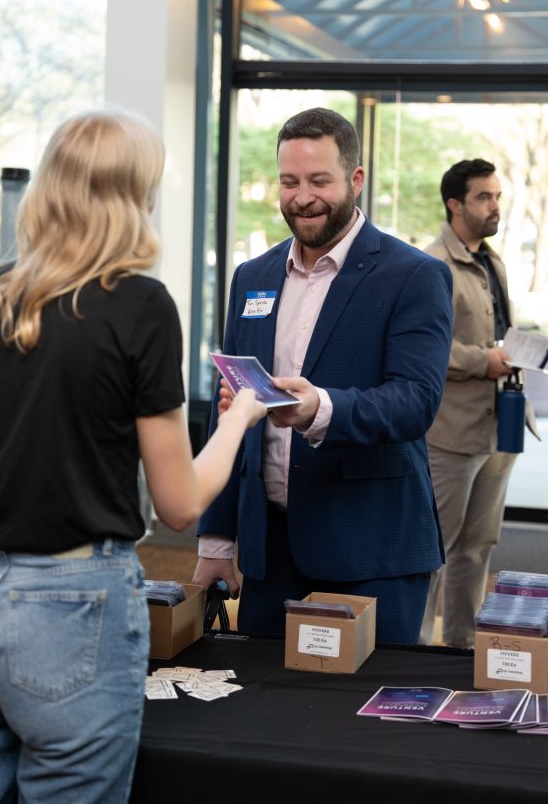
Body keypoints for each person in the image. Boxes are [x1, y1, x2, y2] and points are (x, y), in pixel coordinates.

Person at [0, 108, 265, 804]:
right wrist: (239, 419)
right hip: (73, 605)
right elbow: (180, 503)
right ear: (135, 197)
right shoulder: (140, 307)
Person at [193, 107, 453, 644]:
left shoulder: (414, 276)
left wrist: (320, 409)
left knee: (367, 699)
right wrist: (216, 540)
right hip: (270, 557)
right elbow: (231, 411)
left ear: (355, 180)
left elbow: (415, 401)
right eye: (289, 182)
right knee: (260, 693)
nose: (302, 197)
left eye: (318, 181)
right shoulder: (252, 277)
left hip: (370, 551)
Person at [419, 158, 536, 649]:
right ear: (455, 204)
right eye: (484, 197)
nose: (495, 206)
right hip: (451, 432)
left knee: (478, 547)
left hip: (499, 426)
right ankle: (412, 649)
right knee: (434, 549)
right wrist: (481, 361)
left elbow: (500, 331)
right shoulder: (432, 266)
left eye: (497, 196)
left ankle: (461, 646)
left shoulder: (492, 260)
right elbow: (425, 347)